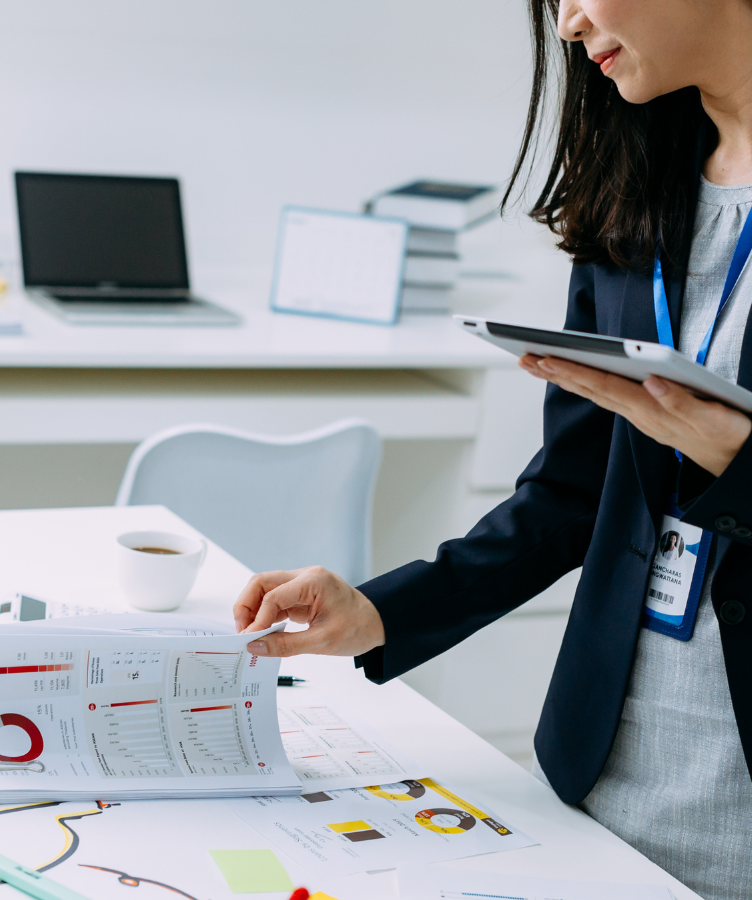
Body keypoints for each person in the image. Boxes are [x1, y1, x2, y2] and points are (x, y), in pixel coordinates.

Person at [233, 2, 752, 897]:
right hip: (605, 778)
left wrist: (742, 468)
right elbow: (569, 496)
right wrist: (380, 610)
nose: (570, 23)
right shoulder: (641, 184)